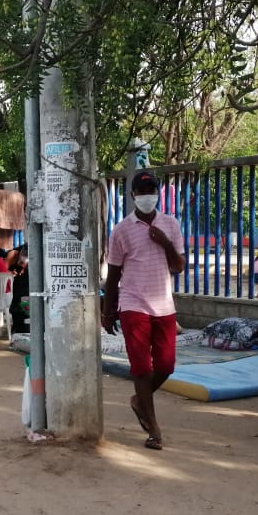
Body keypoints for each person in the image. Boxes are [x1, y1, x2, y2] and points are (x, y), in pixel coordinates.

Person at [102, 170, 186, 451]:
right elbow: (113, 274)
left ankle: (139, 400)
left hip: (163, 304)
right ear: (133, 195)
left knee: (166, 365)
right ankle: (154, 429)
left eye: (152, 191)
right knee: (141, 368)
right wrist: (108, 309)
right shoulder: (121, 230)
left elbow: (179, 266)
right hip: (133, 303)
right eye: (142, 191)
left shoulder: (171, 225)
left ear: (158, 193)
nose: (148, 196)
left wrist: (164, 242)